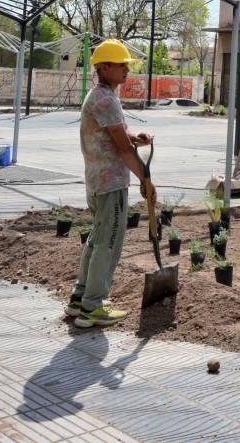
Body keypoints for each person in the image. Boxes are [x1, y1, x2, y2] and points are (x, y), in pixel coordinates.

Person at [67, 39, 156, 328]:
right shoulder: (105, 98)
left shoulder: (100, 95)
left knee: (96, 239)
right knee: (109, 243)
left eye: (127, 66)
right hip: (110, 184)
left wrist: (134, 138)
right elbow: (121, 148)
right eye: (121, 66)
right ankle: (92, 307)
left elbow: (118, 135)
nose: (126, 71)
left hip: (97, 181)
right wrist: (145, 179)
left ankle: (80, 298)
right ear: (103, 67)